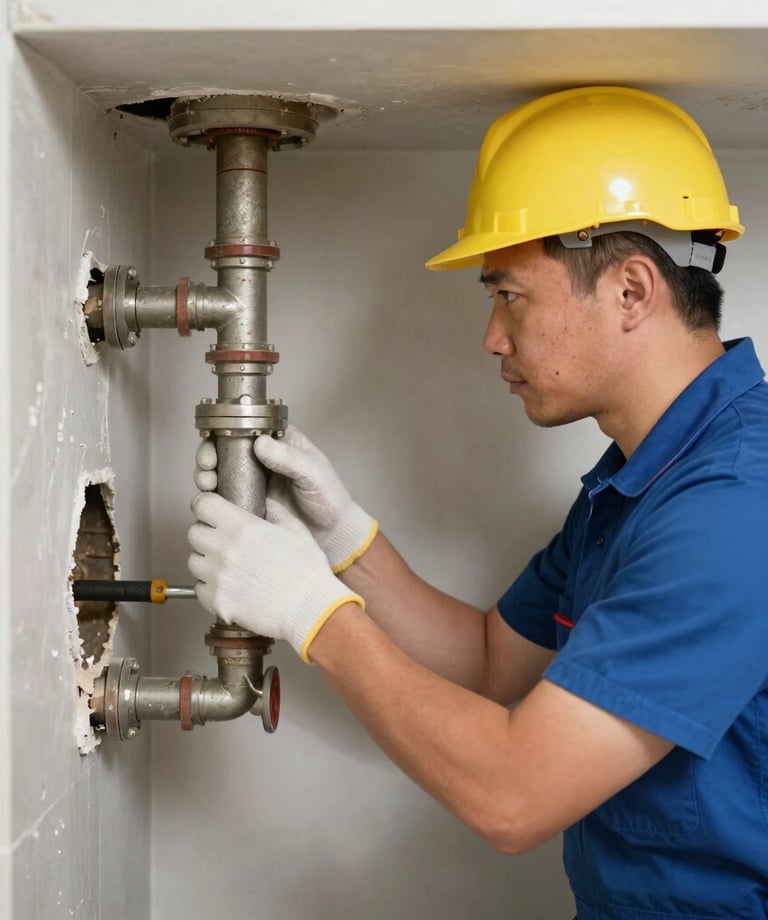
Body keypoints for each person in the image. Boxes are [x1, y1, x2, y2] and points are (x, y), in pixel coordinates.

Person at [187, 86, 768, 918]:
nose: (493, 337)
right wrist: (342, 539)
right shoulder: (642, 481)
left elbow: (514, 798)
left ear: (633, 291)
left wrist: (315, 617)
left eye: (510, 295)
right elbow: (495, 661)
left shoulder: (733, 507)